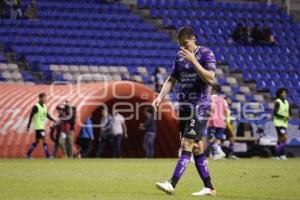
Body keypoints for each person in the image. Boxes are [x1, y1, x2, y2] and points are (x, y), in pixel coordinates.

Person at [153, 26, 216, 196]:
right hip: (185, 107)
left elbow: (210, 78)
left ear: (194, 39)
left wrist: (194, 61)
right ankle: (209, 186)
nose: (183, 48)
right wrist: (160, 97)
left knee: (186, 144)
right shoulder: (180, 57)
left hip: (200, 105)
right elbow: (171, 79)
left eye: (185, 44)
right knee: (196, 147)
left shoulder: (206, 53)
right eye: (180, 45)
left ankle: (172, 184)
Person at [26, 93, 56, 158]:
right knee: (44, 139)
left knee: (37, 142)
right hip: (38, 127)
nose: (45, 99)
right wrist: (28, 126)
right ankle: (48, 156)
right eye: (44, 98)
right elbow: (31, 116)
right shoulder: (36, 106)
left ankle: (28, 154)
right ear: (40, 98)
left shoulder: (45, 106)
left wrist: (53, 120)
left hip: (42, 126)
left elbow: (47, 115)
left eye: (45, 98)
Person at [207, 85, 227, 160]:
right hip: (221, 121)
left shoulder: (209, 98)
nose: (209, 90)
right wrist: (225, 120)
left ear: (214, 90)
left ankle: (219, 151)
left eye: (211, 89)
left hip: (212, 120)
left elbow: (210, 108)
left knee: (210, 138)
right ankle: (215, 154)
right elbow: (225, 110)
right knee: (218, 138)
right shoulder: (223, 99)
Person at [273, 88, 291, 160]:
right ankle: (280, 154)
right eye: (283, 93)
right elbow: (275, 113)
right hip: (278, 123)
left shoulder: (287, 102)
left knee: (280, 139)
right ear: (280, 94)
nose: (285, 94)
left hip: (284, 123)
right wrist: (283, 116)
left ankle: (278, 155)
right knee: (285, 137)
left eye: (285, 93)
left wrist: (289, 115)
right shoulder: (277, 101)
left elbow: (289, 111)